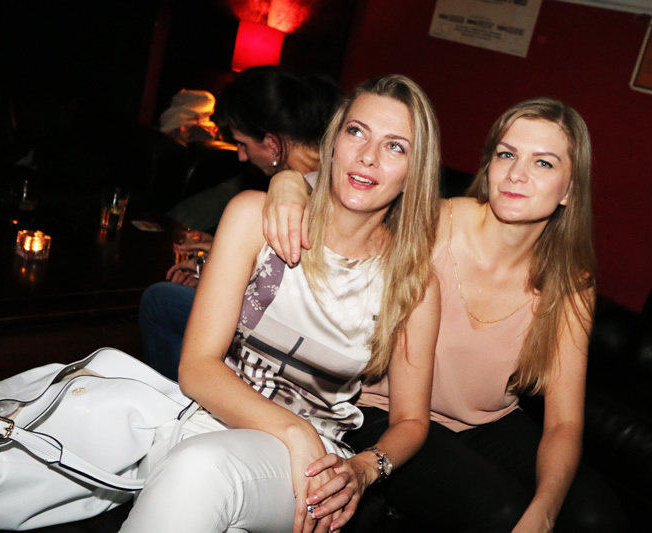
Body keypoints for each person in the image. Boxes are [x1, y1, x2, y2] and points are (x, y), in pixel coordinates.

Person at [262, 97, 628, 532]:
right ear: (488, 167)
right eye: (506, 155)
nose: (517, 174)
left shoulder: (570, 281)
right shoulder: (429, 223)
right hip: (384, 412)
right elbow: (350, 194)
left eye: (543, 163)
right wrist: (287, 181)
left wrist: (545, 511)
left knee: (597, 519)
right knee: (501, 512)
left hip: (486, 421)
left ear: (569, 189)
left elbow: (564, 422)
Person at [119, 74, 441, 533]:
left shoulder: (413, 282)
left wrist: (366, 469)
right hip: (215, 416)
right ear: (333, 143)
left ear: (415, 171)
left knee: (200, 469)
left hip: (311, 462)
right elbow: (197, 367)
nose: (368, 156)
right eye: (356, 132)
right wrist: (293, 430)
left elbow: (411, 420)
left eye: (395, 147)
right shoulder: (253, 215)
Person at [140, 66, 343, 381]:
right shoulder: (327, 174)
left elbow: (291, 286)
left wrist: (209, 271)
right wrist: (224, 251)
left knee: (159, 301)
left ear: (273, 144)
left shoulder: (292, 195)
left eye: (242, 143)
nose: (241, 156)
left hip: (291, 332)